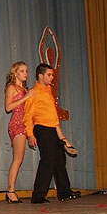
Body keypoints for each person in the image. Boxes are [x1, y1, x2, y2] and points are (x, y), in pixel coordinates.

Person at [24, 63, 80, 204]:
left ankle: (64, 192)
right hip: (41, 129)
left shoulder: (48, 90)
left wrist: (62, 136)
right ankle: (38, 196)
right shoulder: (33, 93)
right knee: (48, 160)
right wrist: (30, 134)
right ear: (40, 76)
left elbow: (53, 116)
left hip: (52, 129)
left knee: (59, 159)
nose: (52, 77)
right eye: (49, 75)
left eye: (52, 75)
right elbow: (28, 115)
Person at [4, 62, 36, 203]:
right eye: (22, 71)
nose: (25, 74)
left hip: (25, 124)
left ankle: (11, 191)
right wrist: (25, 97)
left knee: (19, 159)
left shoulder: (25, 89)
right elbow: (8, 107)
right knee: (17, 159)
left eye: (26, 71)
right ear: (15, 73)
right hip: (17, 123)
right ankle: (10, 192)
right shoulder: (12, 88)